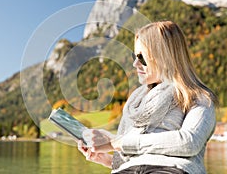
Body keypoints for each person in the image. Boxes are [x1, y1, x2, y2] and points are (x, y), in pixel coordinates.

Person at [77, 21, 218, 174]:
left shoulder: (198, 97)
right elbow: (136, 153)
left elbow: (189, 142)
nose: (135, 63)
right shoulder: (137, 103)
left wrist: (115, 143)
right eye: (134, 56)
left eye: (142, 57)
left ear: (165, 56)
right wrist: (106, 159)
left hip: (171, 169)